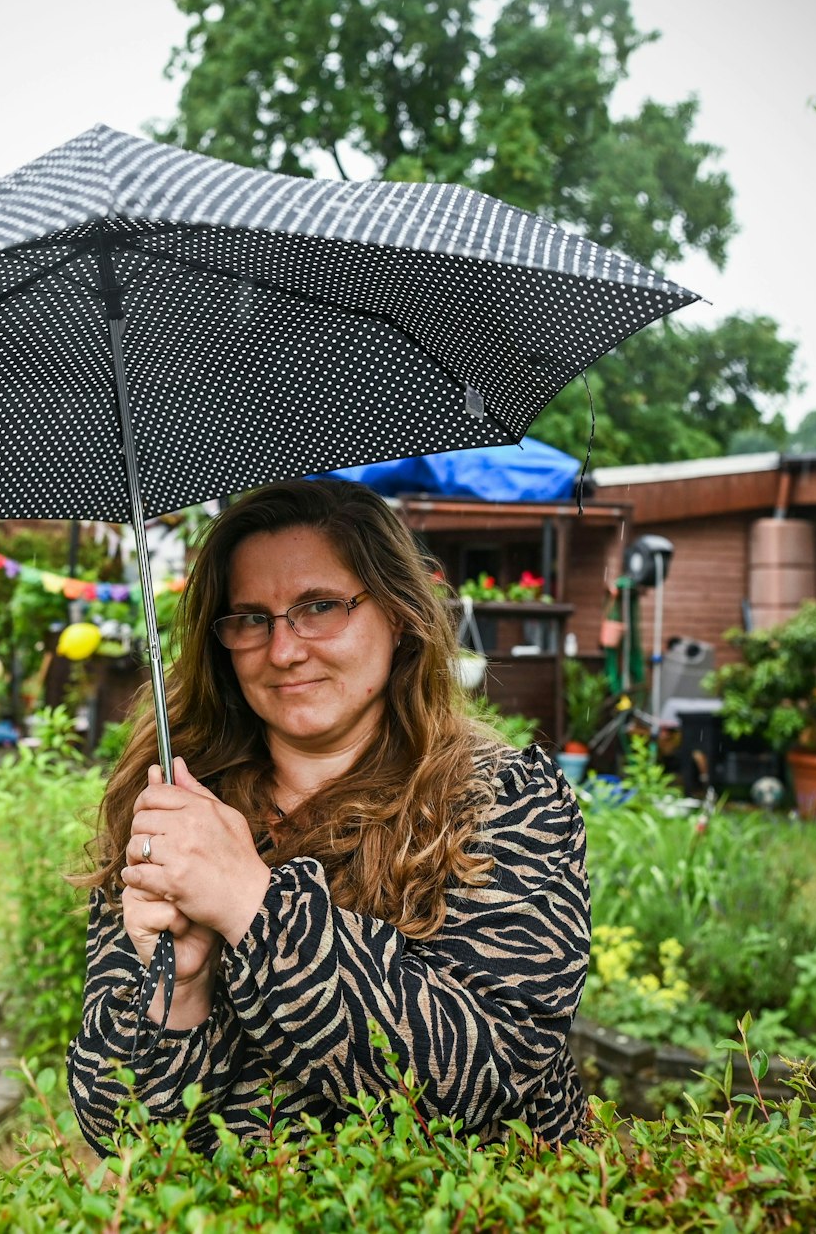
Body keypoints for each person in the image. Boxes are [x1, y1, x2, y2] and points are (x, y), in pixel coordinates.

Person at [66, 478, 590, 1154]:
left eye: (319, 606)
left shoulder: (505, 800)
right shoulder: (181, 815)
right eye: (251, 617)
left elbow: (491, 1071)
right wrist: (180, 992)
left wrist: (252, 904)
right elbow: (122, 1133)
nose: (283, 650)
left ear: (399, 612)